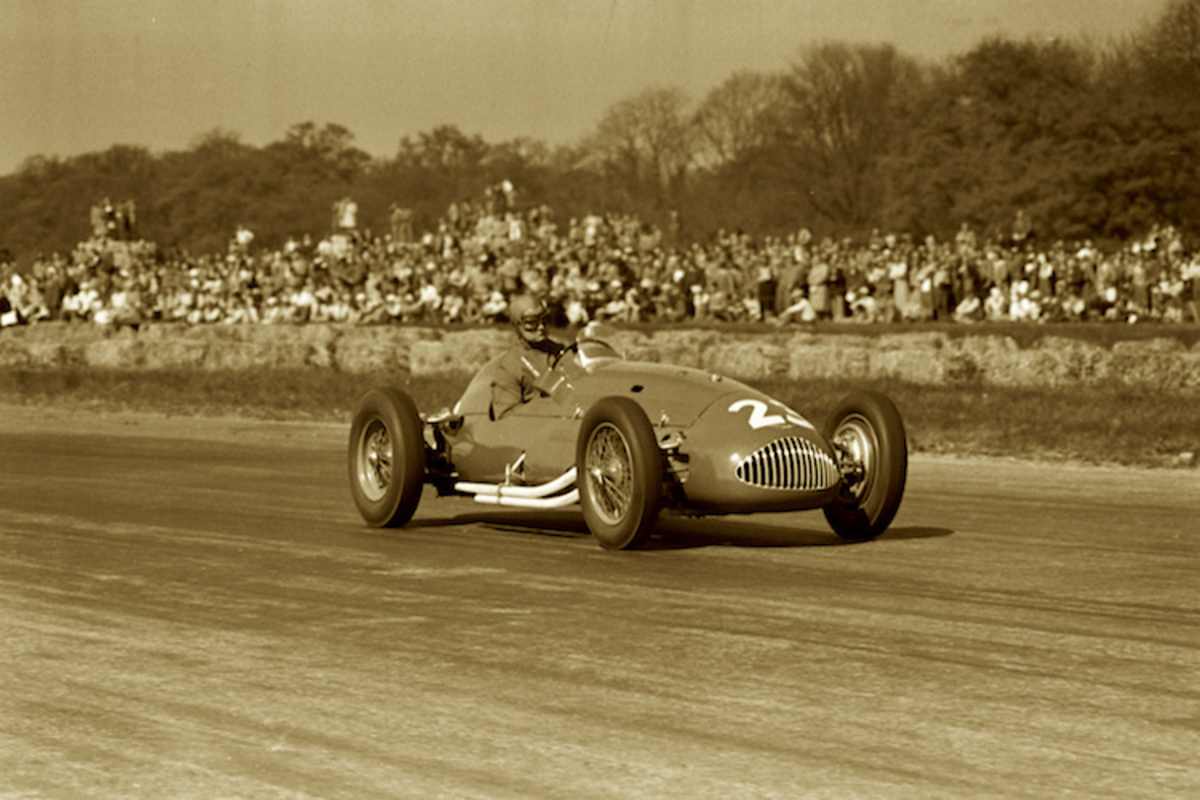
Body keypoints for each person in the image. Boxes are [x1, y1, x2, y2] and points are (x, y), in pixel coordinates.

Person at [488, 294, 566, 420]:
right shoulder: (509, 366)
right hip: (542, 429)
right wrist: (547, 408)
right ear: (517, 325)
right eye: (532, 322)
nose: (541, 327)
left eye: (544, 320)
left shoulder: (561, 350)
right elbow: (506, 418)